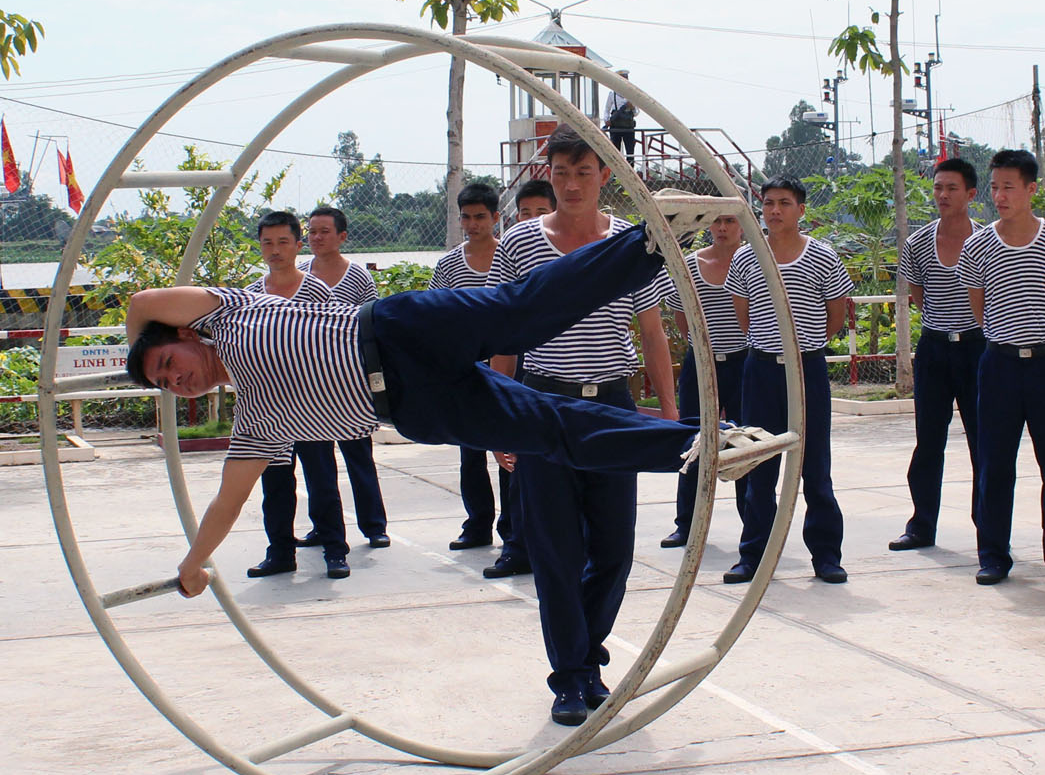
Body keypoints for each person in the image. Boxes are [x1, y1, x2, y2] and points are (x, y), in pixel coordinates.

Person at [124, 222, 723, 625]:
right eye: (165, 386)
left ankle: (654, 239)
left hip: (397, 332)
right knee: (549, 430)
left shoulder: (228, 313)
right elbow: (227, 502)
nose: (177, 381)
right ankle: (705, 444)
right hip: (414, 407)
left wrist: (138, 348)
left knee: (524, 313)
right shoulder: (257, 419)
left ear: (184, 334)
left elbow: (141, 305)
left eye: (169, 364)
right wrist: (192, 560)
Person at [487, 122, 678, 726]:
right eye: (560, 172)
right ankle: (570, 677)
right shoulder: (519, 244)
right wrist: (501, 419)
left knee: (615, 549)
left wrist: (668, 412)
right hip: (543, 406)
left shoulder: (632, 244)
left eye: (583, 172)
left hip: (612, 406)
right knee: (555, 552)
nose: (571, 184)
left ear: (605, 176)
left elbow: (652, 331)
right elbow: (503, 334)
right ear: (548, 174)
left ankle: (586, 656)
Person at [957, 149, 1045, 586]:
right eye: (994, 187)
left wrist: (1042, 341)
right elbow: (979, 310)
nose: (1000, 195)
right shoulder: (978, 245)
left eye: (1009, 186)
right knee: (995, 464)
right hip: (999, 365)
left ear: (1031, 189)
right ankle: (993, 554)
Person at [723, 177, 854, 585]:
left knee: (815, 467)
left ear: (801, 210)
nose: (774, 210)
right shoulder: (747, 258)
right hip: (760, 369)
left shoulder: (822, 256)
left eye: (784, 203)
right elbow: (743, 314)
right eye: (768, 203)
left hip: (806, 370)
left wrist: (805, 348)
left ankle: (827, 556)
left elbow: (836, 315)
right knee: (758, 464)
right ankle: (754, 556)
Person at [242, 212, 347, 579]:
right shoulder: (252, 295)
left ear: (297, 245)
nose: (275, 250)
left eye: (283, 242)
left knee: (321, 478)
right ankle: (280, 552)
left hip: (311, 403)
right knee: (276, 484)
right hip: (269, 409)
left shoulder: (317, 290)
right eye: (267, 243)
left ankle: (335, 550)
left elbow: (332, 343)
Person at [891, 158, 984, 553]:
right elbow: (918, 296)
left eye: (952, 189)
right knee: (929, 441)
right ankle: (921, 525)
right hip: (934, 349)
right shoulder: (918, 243)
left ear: (971, 194)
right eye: (938, 188)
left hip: (979, 348)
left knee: (985, 442)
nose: (943, 196)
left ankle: (989, 525)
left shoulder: (987, 241)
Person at [296, 206, 391, 554]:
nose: (317, 238)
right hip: (308, 385)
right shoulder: (297, 274)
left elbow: (373, 326)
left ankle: (374, 526)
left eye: (324, 231)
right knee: (317, 463)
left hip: (350, 383)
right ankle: (323, 527)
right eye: (312, 231)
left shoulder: (358, 278)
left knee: (359, 457)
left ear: (342, 236)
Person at [430, 184, 515, 554]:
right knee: (471, 452)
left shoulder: (511, 257)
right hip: (466, 366)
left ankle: (514, 527)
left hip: (510, 362)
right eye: (466, 217)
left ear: (496, 217)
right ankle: (477, 524)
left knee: (511, 448)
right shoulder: (449, 264)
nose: (473, 223)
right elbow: (436, 312)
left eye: (481, 216)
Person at [482, 178, 556, 580]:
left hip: (559, 371)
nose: (531, 221)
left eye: (540, 213)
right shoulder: (514, 260)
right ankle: (515, 545)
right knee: (515, 464)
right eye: (524, 213)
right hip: (522, 362)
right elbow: (503, 336)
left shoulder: (572, 260)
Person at [661, 212, 748, 548]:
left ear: (742, 225)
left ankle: (753, 527)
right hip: (701, 364)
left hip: (744, 363)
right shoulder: (689, 264)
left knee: (746, 443)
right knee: (693, 443)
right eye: (717, 221)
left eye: (729, 221)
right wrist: (702, 348)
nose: (722, 228)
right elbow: (681, 315)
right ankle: (687, 524)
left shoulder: (755, 262)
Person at [601, 69, 637, 170]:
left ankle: (631, 171)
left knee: (630, 151)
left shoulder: (632, 93)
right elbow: (607, 109)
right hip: (616, 127)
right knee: (616, 151)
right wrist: (606, 120)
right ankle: (616, 173)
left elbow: (636, 112)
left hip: (628, 127)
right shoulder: (612, 94)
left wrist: (632, 107)